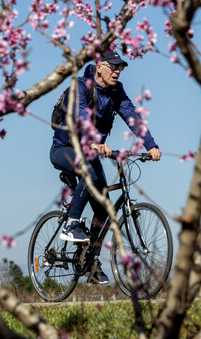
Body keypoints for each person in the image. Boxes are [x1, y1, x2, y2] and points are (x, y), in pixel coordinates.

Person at [50, 50, 161, 284]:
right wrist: (93, 141)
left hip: (90, 153)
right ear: (99, 66)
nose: (118, 71)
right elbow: (80, 115)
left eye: (121, 67)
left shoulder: (116, 91)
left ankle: (88, 261)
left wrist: (150, 145)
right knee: (89, 173)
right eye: (113, 66)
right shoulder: (80, 86)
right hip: (65, 150)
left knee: (104, 212)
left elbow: (132, 116)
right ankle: (71, 223)